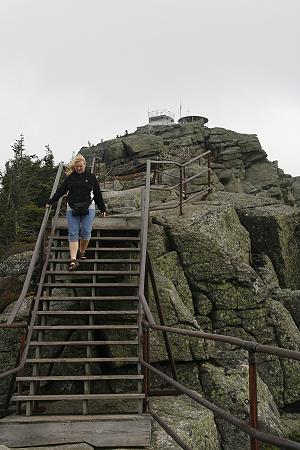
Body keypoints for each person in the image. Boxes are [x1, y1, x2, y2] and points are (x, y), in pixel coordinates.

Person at [46, 154, 107, 271]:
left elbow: (98, 194)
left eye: (80, 166)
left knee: (86, 231)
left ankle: (82, 252)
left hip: (89, 207)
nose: (78, 168)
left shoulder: (91, 177)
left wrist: (103, 209)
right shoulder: (70, 178)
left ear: (85, 164)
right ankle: (73, 260)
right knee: (73, 232)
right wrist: (50, 201)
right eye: (76, 166)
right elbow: (60, 191)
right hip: (72, 207)